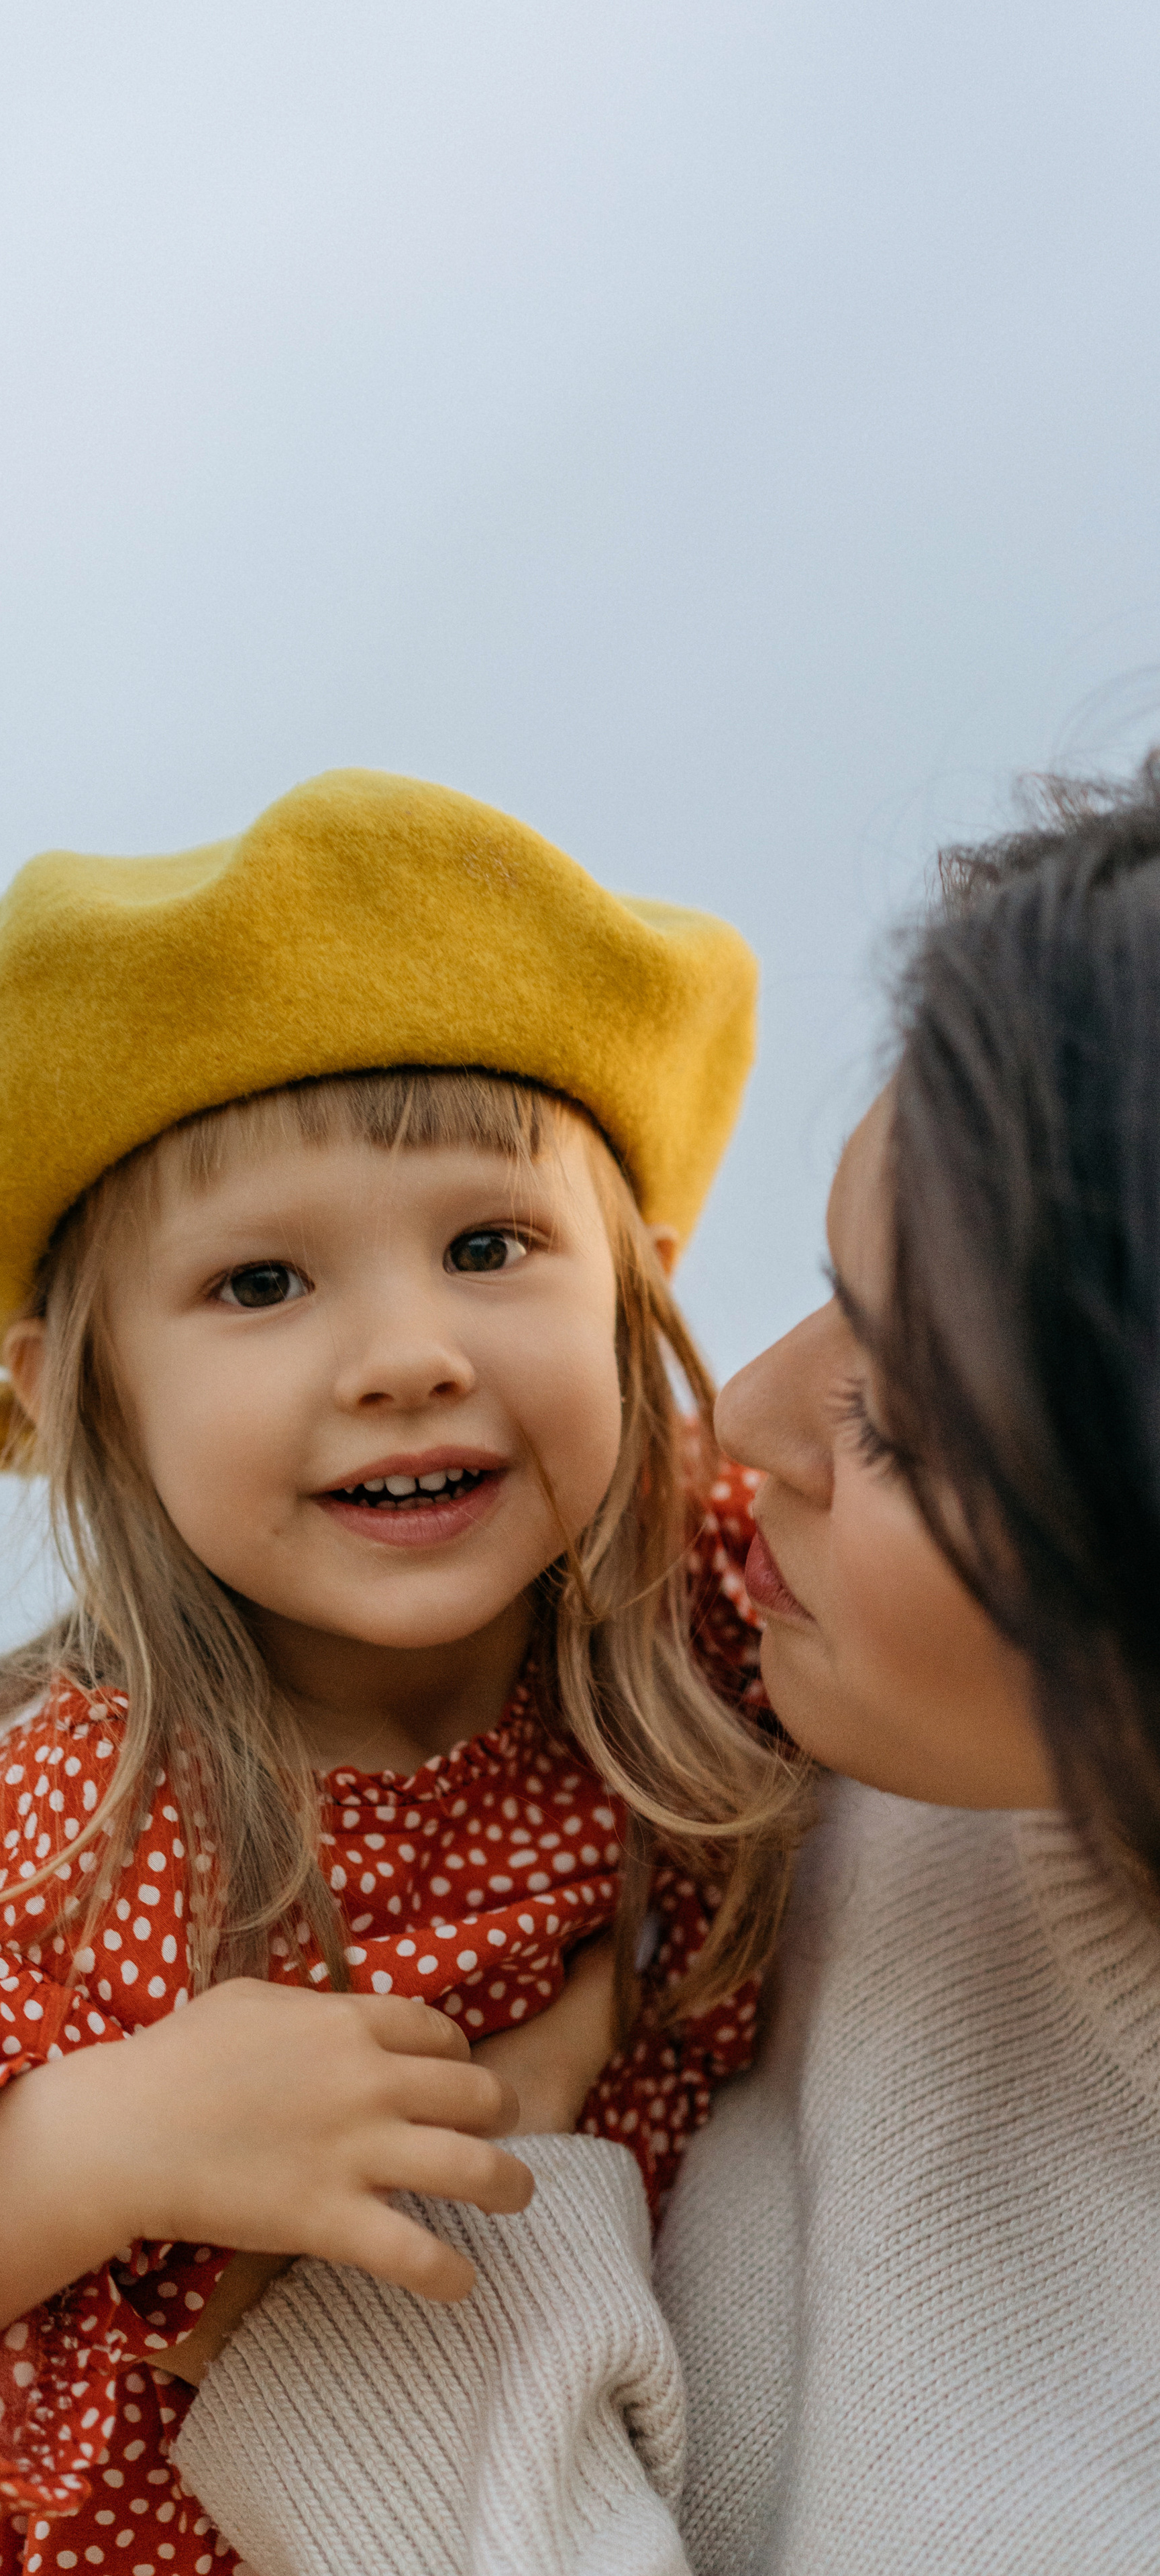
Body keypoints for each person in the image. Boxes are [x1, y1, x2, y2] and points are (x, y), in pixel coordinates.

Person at [0, 769, 809, 2576]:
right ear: (78, 1396)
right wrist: (99, 2142)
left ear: (638, 1286)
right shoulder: (50, 1835)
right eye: (261, 1285)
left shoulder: (717, 1633)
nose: (405, 1355)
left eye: (491, 1247)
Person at [168, 756, 1160, 2576]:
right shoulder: (776, 1697)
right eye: (831, 1294)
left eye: (898, 1415)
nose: (734, 1430)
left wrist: (412, 2296)